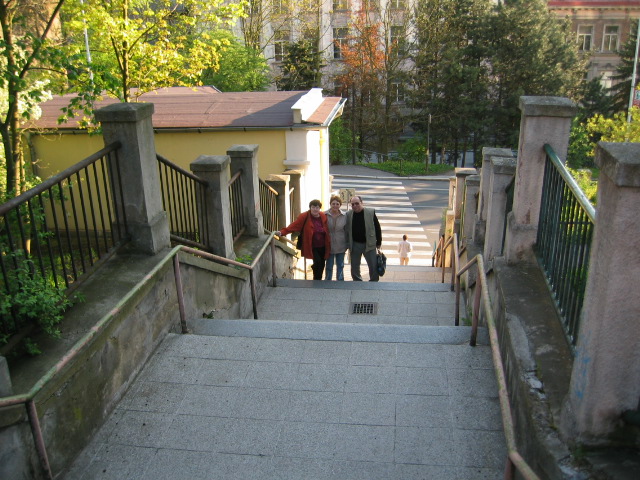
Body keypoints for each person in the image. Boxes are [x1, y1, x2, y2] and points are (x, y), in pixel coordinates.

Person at [279, 199, 330, 280]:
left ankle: (318, 279)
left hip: (323, 245)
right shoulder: (305, 216)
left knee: (322, 264)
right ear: (310, 208)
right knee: (317, 262)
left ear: (320, 208)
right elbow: (294, 225)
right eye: (313, 207)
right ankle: (317, 280)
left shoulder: (323, 216)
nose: (315, 209)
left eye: (317, 207)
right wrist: (282, 232)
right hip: (312, 245)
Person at [345, 195, 382, 282]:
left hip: (369, 244)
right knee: (354, 266)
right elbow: (346, 230)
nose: (355, 206)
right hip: (355, 244)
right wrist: (347, 243)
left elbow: (377, 227)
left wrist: (378, 242)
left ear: (362, 203)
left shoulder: (370, 212)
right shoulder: (349, 214)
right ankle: (357, 281)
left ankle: (374, 281)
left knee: (373, 265)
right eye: (352, 204)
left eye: (357, 203)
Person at [325, 195, 347, 281]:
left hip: (341, 243)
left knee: (340, 265)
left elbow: (347, 230)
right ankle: (328, 281)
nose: (335, 205)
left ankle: (340, 282)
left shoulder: (344, 215)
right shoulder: (324, 214)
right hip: (329, 243)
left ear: (340, 205)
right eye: (333, 203)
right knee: (329, 265)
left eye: (337, 204)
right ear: (330, 204)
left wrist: (347, 243)